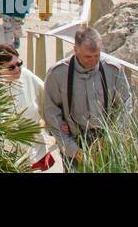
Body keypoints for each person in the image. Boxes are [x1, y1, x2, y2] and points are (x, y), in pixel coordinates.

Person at [41, 26, 132, 167]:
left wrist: (112, 139)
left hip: (106, 139)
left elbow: (126, 104)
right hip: (73, 139)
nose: (93, 61)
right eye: (88, 57)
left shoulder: (113, 69)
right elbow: (51, 113)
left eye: (97, 55)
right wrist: (73, 150)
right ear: (75, 49)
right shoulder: (57, 73)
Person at [0, 43, 53, 170]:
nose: (17, 69)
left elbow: (47, 99)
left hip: (34, 148)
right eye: (11, 67)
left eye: (19, 64)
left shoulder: (27, 75)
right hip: (5, 154)